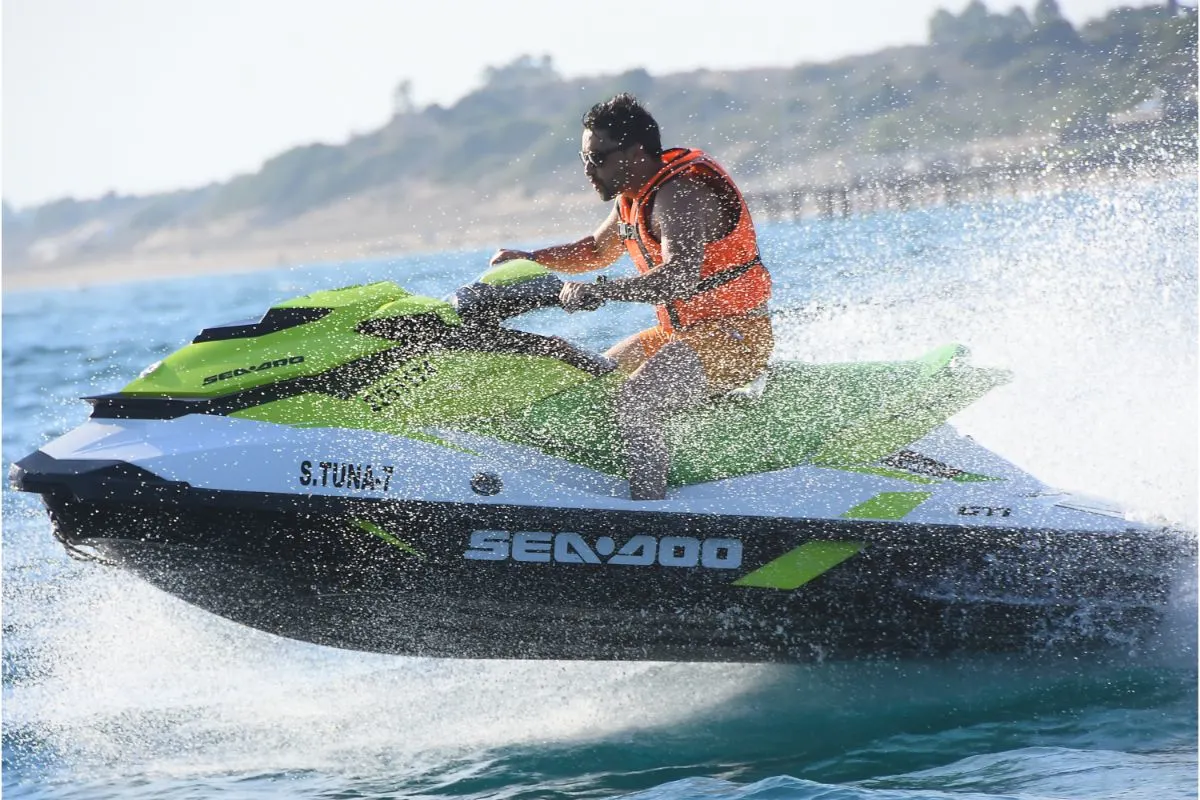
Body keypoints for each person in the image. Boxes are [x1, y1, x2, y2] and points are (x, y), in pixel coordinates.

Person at [490, 93, 773, 501]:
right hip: (682, 337)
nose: (588, 170)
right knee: (595, 374)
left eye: (598, 157)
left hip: (737, 337)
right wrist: (531, 258)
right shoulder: (632, 198)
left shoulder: (682, 196)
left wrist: (601, 292)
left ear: (635, 152)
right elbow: (595, 251)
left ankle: (649, 510)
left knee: (637, 398)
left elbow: (677, 279)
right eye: (584, 159)